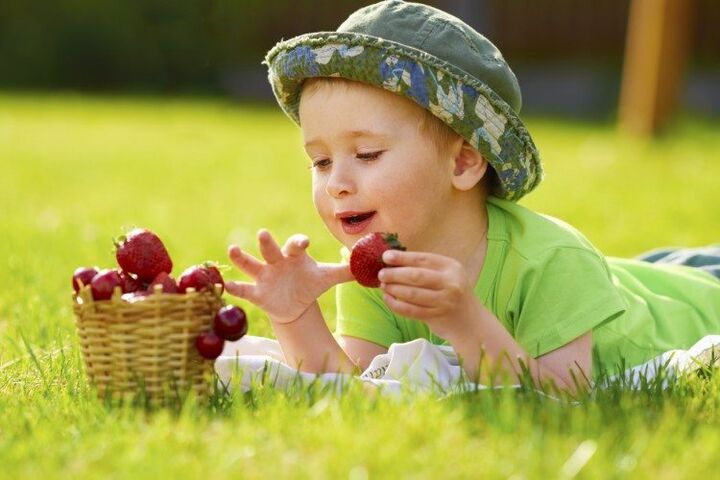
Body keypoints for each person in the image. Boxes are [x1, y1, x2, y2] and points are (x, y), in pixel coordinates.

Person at [223, 0, 720, 392]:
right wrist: (294, 316)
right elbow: (355, 388)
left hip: (698, 297)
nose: (336, 183)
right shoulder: (370, 270)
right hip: (639, 274)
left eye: (368, 153)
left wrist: (464, 322)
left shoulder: (553, 262)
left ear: (463, 162)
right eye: (322, 161)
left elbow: (565, 400)